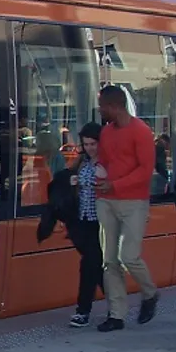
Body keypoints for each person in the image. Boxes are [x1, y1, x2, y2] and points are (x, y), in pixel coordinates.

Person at [95, 84, 159, 332]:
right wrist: (98, 178)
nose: (100, 110)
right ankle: (117, 314)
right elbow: (104, 161)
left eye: (102, 106)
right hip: (107, 201)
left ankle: (150, 293)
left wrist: (115, 184)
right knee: (109, 260)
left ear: (114, 106)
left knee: (128, 256)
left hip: (133, 202)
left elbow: (145, 171)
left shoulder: (141, 131)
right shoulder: (106, 133)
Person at [67, 122, 105, 328]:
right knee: (97, 267)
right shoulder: (82, 162)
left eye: (93, 143)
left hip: (100, 222)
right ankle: (117, 304)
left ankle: (83, 311)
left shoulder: (107, 163)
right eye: (87, 144)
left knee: (89, 265)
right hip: (82, 221)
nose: (90, 148)